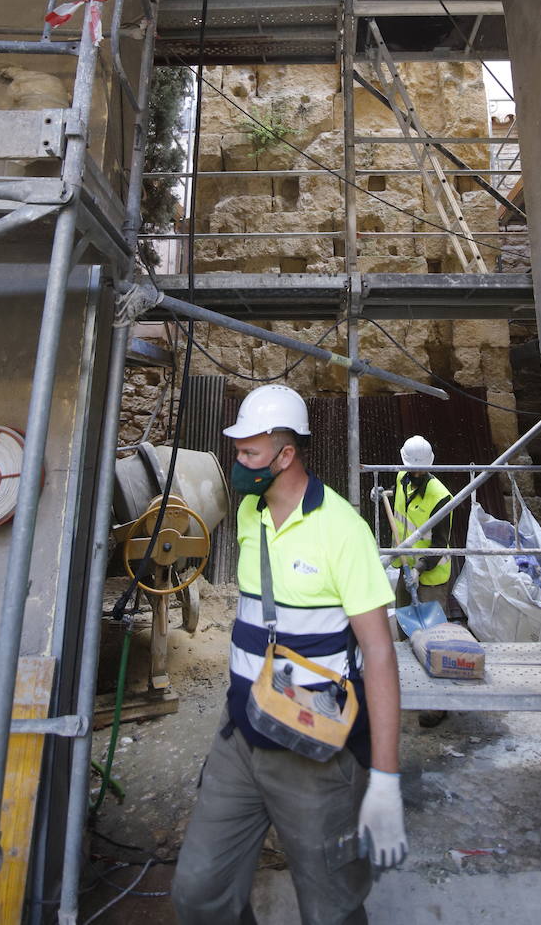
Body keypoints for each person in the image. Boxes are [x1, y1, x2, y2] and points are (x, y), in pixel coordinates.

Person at [171, 383, 406, 925]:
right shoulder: (251, 515)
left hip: (313, 749)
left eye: (249, 453)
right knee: (199, 894)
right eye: (238, 452)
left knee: (333, 908)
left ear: (285, 455)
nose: (239, 463)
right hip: (240, 736)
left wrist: (387, 779)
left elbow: (379, 654)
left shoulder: (343, 528)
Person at [392, 435, 454, 729]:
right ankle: (415, 690)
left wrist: (419, 568)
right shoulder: (403, 477)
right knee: (406, 631)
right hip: (405, 569)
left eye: (417, 469)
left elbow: (440, 542)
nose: (413, 472)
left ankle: (438, 704)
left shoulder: (441, 496)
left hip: (430, 577)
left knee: (433, 640)